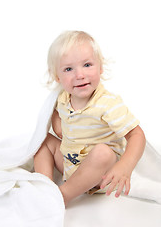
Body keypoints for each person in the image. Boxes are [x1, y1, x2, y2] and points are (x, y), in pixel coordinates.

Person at [34, 30, 146, 207]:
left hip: (101, 174)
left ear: (100, 67)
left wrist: (125, 166)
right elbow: (59, 123)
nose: (80, 75)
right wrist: (59, 127)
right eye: (69, 69)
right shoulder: (63, 98)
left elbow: (137, 135)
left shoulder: (107, 103)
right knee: (40, 140)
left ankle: (63, 195)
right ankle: (43, 185)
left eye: (87, 65)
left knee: (103, 152)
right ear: (57, 76)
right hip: (71, 165)